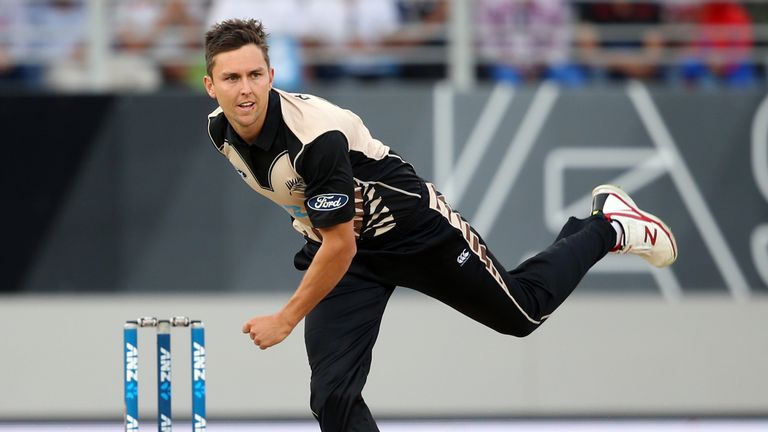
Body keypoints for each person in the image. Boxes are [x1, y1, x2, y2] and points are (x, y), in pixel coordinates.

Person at [203, 19, 678, 432]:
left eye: (254, 75)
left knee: (523, 315)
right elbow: (318, 216)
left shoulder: (315, 136)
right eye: (232, 78)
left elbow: (340, 244)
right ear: (211, 86)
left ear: (272, 76)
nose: (245, 89)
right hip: (346, 252)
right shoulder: (219, 130)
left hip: (414, 233)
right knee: (331, 396)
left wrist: (287, 319)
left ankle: (607, 226)